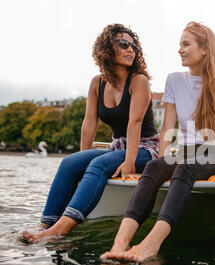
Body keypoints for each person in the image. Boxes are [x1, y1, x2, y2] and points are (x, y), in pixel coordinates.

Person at [100, 21, 215, 262]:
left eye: (186, 44)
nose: (180, 49)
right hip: (185, 152)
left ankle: (151, 245)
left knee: (185, 166)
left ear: (205, 49)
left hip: (214, 152)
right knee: (154, 167)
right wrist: (162, 161)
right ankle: (120, 243)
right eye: (179, 44)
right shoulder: (174, 80)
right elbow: (168, 126)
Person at [22, 24, 159, 242]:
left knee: (98, 165)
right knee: (68, 163)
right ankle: (47, 223)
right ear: (106, 49)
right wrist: (79, 160)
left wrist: (130, 161)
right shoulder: (97, 83)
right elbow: (89, 122)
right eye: (123, 44)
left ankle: (61, 229)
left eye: (133, 46)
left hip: (144, 148)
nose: (130, 49)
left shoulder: (138, 81)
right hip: (118, 147)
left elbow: (135, 123)